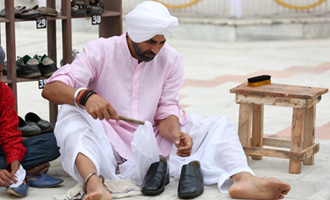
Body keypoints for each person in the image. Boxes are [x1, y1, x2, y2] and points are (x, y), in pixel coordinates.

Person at [42, 1, 291, 200]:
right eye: (151, 41)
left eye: (162, 42)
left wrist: (175, 133)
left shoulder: (171, 59)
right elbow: (51, 89)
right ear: (133, 34)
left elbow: (166, 109)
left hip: (151, 141)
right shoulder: (99, 51)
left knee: (218, 125)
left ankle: (242, 178)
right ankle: (95, 186)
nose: (157, 49)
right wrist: (85, 96)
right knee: (71, 115)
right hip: (106, 140)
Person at [0, 45, 63, 197]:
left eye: (0, 72)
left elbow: (9, 133)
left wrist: (14, 160)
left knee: (56, 141)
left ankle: (15, 171)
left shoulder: (3, 92)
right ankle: (27, 171)